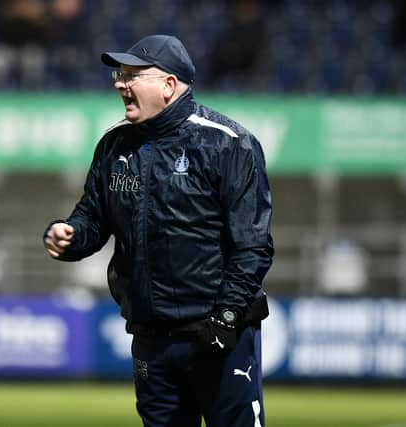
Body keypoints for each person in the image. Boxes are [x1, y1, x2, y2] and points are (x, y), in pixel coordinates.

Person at [43, 34, 274, 427]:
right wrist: (69, 234)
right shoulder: (113, 145)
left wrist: (227, 317)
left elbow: (252, 246)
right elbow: (93, 217)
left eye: (133, 74)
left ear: (169, 85)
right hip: (152, 337)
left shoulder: (229, 144)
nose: (120, 83)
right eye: (120, 73)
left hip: (219, 335)